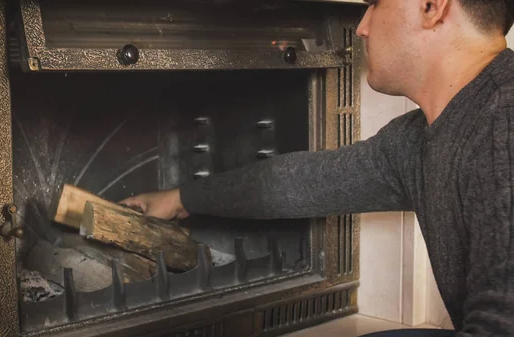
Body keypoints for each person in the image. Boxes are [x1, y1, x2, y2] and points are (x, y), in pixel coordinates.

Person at [121, 0, 514, 336]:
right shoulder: (419, 140)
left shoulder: (503, 125)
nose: (360, 27)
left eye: (374, 3)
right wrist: (181, 198)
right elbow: (298, 183)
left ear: (432, 6)